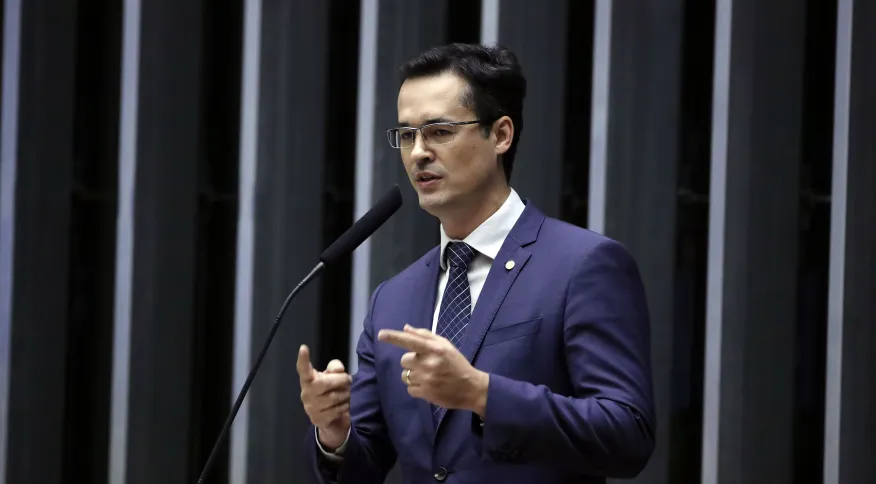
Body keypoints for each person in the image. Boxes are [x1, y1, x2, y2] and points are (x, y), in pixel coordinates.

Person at [298, 43, 655, 483]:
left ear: (500, 135)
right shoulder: (392, 299)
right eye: (407, 135)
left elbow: (627, 434)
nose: (418, 152)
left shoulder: (583, 265)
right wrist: (334, 434)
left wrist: (483, 394)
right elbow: (366, 464)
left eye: (439, 131)